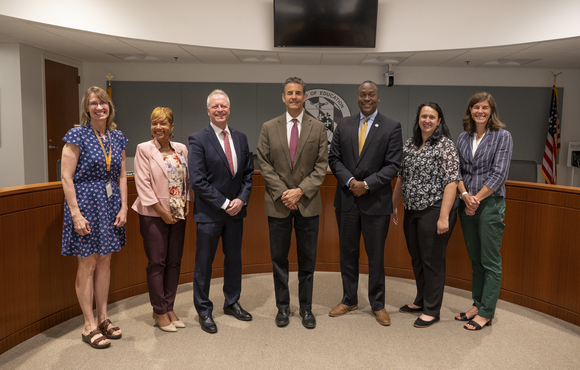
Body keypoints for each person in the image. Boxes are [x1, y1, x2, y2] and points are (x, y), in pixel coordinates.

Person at [328, 80, 403, 326]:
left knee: (376, 256)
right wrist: (351, 181)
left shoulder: (392, 126)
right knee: (347, 253)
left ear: (378, 98)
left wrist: (367, 184)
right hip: (347, 200)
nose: (367, 98)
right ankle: (349, 299)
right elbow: (334, 158)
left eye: (371, 94)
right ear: (357, 98)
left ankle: (378, 304)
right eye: (362, 94)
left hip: (376, 202)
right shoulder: (344, 124)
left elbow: (393, 165)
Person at [257, 77, 328, 329]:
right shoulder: (268, 127)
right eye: (290, 93)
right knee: (279, 260)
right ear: (283, 97)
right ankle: (283, 308)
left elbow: (321, 166)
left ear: (304, 96)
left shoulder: (318, 127)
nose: (294, 97)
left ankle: (306, 308)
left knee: (307, 260)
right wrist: (285, 193)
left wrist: (300, 191)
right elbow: (264, 163)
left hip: (308, 204)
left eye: (298, 93)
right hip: (278, 204)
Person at [61, 86, 128, 349]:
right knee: (87, 265)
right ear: (86, 108)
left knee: (104, 262)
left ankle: (103, 318)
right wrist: (76, 214)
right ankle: (88, 324)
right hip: (85, 204)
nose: (99, 107)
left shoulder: (117, 136)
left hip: (110, 205)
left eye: (103, 103)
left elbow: (121, 175)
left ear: (110, 107)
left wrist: (123, 208)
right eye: (93, 103)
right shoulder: (77, 134)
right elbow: (66, 177)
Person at [188, 90, 254, 334]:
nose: (219, 110)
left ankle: (232, 302)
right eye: (215, 106)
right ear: (208, 110)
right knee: (204, 265)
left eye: (223, 106)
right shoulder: (197, 139)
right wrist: (226, 203)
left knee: (233, 260)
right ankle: (204, 310)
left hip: (236, 214)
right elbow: (198, 181)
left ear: (229, 109)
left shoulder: (240, 137)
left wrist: (241, 200)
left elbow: (248, 174)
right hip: (209, 213)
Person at [391, 102, 460, 328]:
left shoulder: (444, 145)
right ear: (418, 119)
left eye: (432, 117)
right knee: (417, 258)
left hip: (434, 209)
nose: (427, 120)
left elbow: (451, 182)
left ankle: (432, 309)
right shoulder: (410, 144)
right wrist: (393, 204)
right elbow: (402, 177)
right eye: (424, 116)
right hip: (412, 210)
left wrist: (443, 216)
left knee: (433, 261)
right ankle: (421, 300)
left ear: (439, 121)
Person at [454, 92, 513, 331]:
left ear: (491, 111)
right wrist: (465, 196)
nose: (480, 111)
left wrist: (476, 199)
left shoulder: (502, 136)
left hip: (490, 204)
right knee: (475, 259)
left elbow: (499, 174)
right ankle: (477, 304)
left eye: (485, 107)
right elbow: (456, 172)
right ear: (470, 111)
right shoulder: (463, 137)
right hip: (466, 203)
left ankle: (487, 312)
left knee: (490, 260)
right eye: (476, 107)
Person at [132, 107, 193, 332]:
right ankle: (159, 310)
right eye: (154, 123)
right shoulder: (143, 149)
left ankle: (169, 306)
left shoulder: (181, 149)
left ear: (172, 127)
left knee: (174, 261)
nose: (159, 127)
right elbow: (143, 184)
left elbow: (187, 180)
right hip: (153, 214)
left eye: (163, 123)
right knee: (157, 262)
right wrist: (161, 211)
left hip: (179, 213)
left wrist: (187, 204)